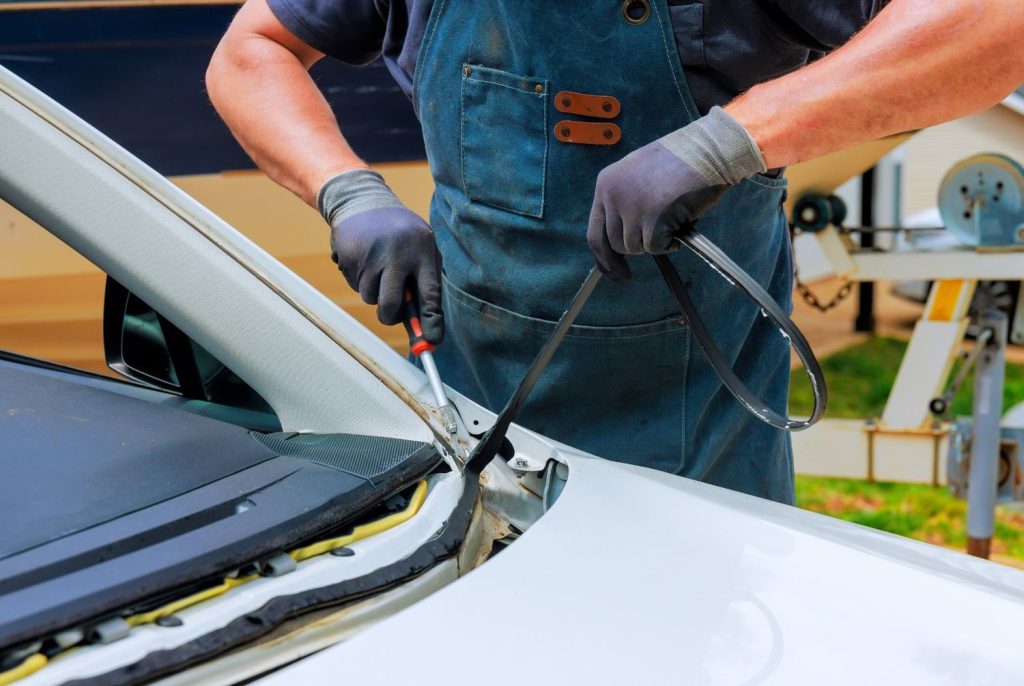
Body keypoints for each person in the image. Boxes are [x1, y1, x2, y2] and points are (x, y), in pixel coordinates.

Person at [207, 0, 1024, 504]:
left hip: (697, 439)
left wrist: (736, 139)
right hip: (470, 402)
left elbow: (997, 25)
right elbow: (253, 50)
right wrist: (348, 194)